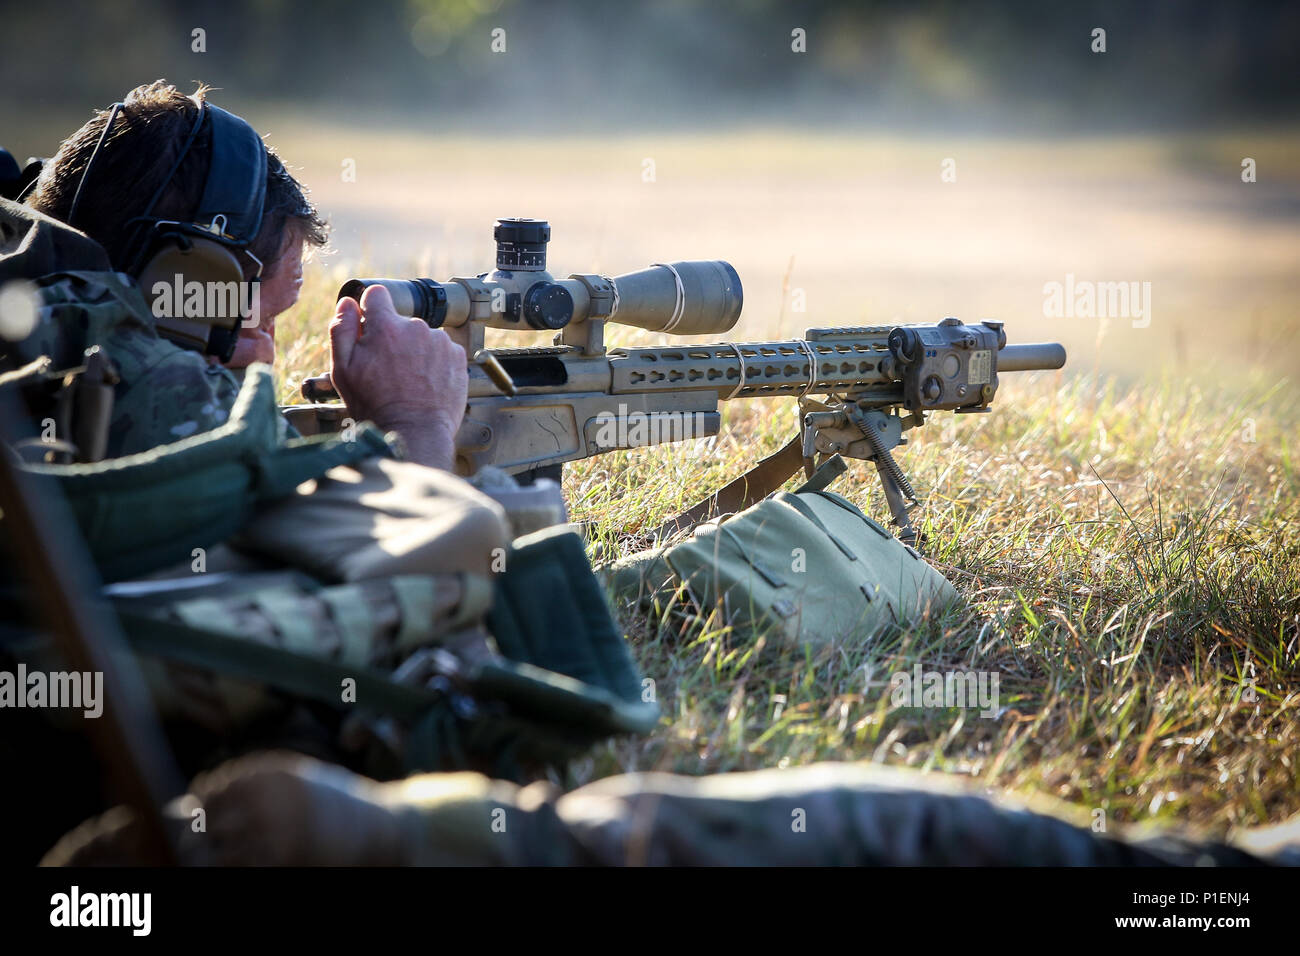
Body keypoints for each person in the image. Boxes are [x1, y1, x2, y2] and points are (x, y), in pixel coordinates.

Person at [2, 79, 466, 469]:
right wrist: (416, 425)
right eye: (264, 320)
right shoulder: (146, 389)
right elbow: (411, 556)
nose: (267, 351)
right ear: (187, 281)